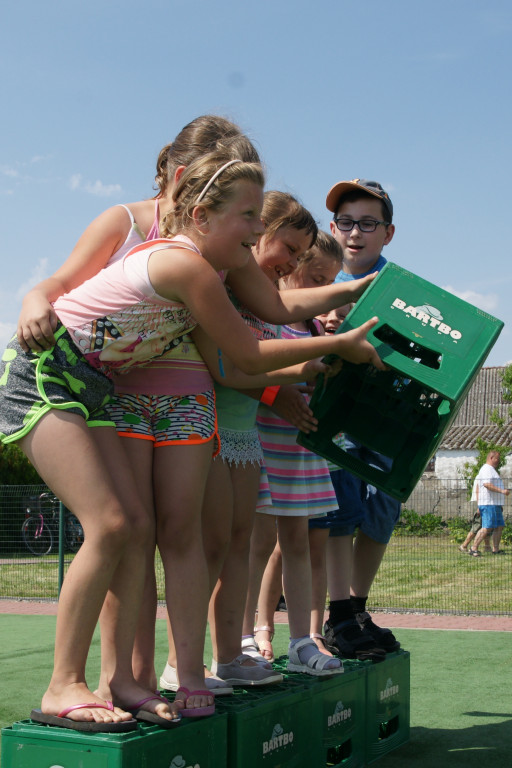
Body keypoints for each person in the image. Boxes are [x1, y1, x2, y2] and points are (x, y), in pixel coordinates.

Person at [8, 154, 385, 726]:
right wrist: (333, 347)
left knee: (135, 528)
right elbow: (248, 353)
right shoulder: (184, 266)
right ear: (203, 214)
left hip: (95, 388)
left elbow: (260, 329)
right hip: (43, 378)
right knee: (112, 525)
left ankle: (126, 682)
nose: (259, 231)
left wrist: (351, 300)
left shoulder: (204, 270)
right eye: (249, 216)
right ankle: (64, 684)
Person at [242, 232, 344, 675]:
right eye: (317, 279)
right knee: (257, 544)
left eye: (331, 283)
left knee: (297, 544)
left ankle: (303, 642)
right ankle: (242, 639)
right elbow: (250, 369)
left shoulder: (317, 328)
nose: (323, 292)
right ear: (291, 268)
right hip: (264, 444)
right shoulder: (268, 320)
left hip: (300, 450)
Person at [309, 178, 402, 661]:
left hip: (387, 413)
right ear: (332, 226)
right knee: (342, 508)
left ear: (388, 232)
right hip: (336, 414)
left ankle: (358, 609)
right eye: (346, 222)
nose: (355, 232)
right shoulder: (318, 278)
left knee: (384, 506)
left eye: (368, 223)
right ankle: (338, 612)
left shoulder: (401, 289)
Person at [469, 451, 509, 556]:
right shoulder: (486, 469)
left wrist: (499, 503)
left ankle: (496, 549)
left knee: (499, 526)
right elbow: (487, 484)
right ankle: (474, 548)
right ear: (491, 457)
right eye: (497, 459)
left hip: (495, 504)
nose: (498, 461)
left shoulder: (492, 470)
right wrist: (502, 491)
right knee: (487, 527)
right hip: (488, 503)